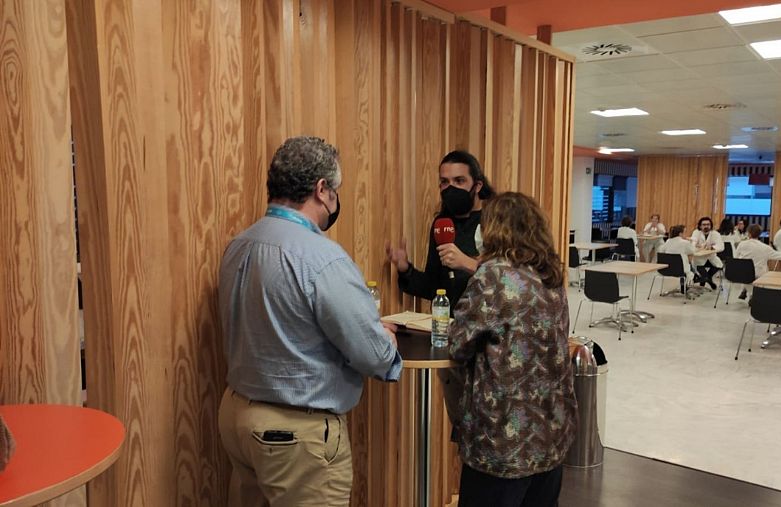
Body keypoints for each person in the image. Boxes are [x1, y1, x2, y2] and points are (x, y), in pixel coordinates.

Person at [217, 136, 402, 507]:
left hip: (237, 417)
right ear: (321, 190)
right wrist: (385, 339)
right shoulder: (322, 259)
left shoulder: (240, 245)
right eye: (336, 191)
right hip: (296, 434)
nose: (335, 199)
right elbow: (373, 355)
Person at [447, 192, 577, 507]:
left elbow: (458, 344)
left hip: (502, 441)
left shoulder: (492, 276)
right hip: (550, 432)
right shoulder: (551, 275)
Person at [385, 150, 495, 313]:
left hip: (488, 322)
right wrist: (405, 269)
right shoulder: (442, 224)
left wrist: (467, 263)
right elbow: (433, 287)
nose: (451, 188)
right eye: (444, 182)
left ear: (478, 186)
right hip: (448, 323)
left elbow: (511, 281)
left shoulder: (497, 222)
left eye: (459, 181)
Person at [734, 224, 781, 300]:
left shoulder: (741, 244)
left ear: (748, 233)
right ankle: (752, 295)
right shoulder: (765, 247)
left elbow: (736, 258)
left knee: (747, 272)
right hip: (759, 274)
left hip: (743, 273)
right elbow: (777, 255)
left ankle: (747, 291)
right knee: (763, 269)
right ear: (760, 234)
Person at [659, 225, 696, 293]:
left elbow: (661, 251)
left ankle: (683, 286)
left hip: (666, 269)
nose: (686, 234)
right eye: (685, 232)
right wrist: (691, 242)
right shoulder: (685, 243)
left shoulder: (668, 241)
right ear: (680, 234)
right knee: (692, 266)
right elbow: (692, 251)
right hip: (681, 270)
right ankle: (686, 285)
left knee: (682, 263)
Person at [690, 216, 725, 289]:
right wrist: (700, 246)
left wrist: (712, 247)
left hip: (711, 258)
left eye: (708, 224)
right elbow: (693, 244)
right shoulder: (696, 232)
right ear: (700, 226)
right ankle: (709, 281)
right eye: (704, 225)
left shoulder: (715, 234)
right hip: (699, 259)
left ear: (711, 225)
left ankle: (705, 278)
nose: (706, 226)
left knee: (719, 266)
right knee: (699, 267)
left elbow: (721, 246)